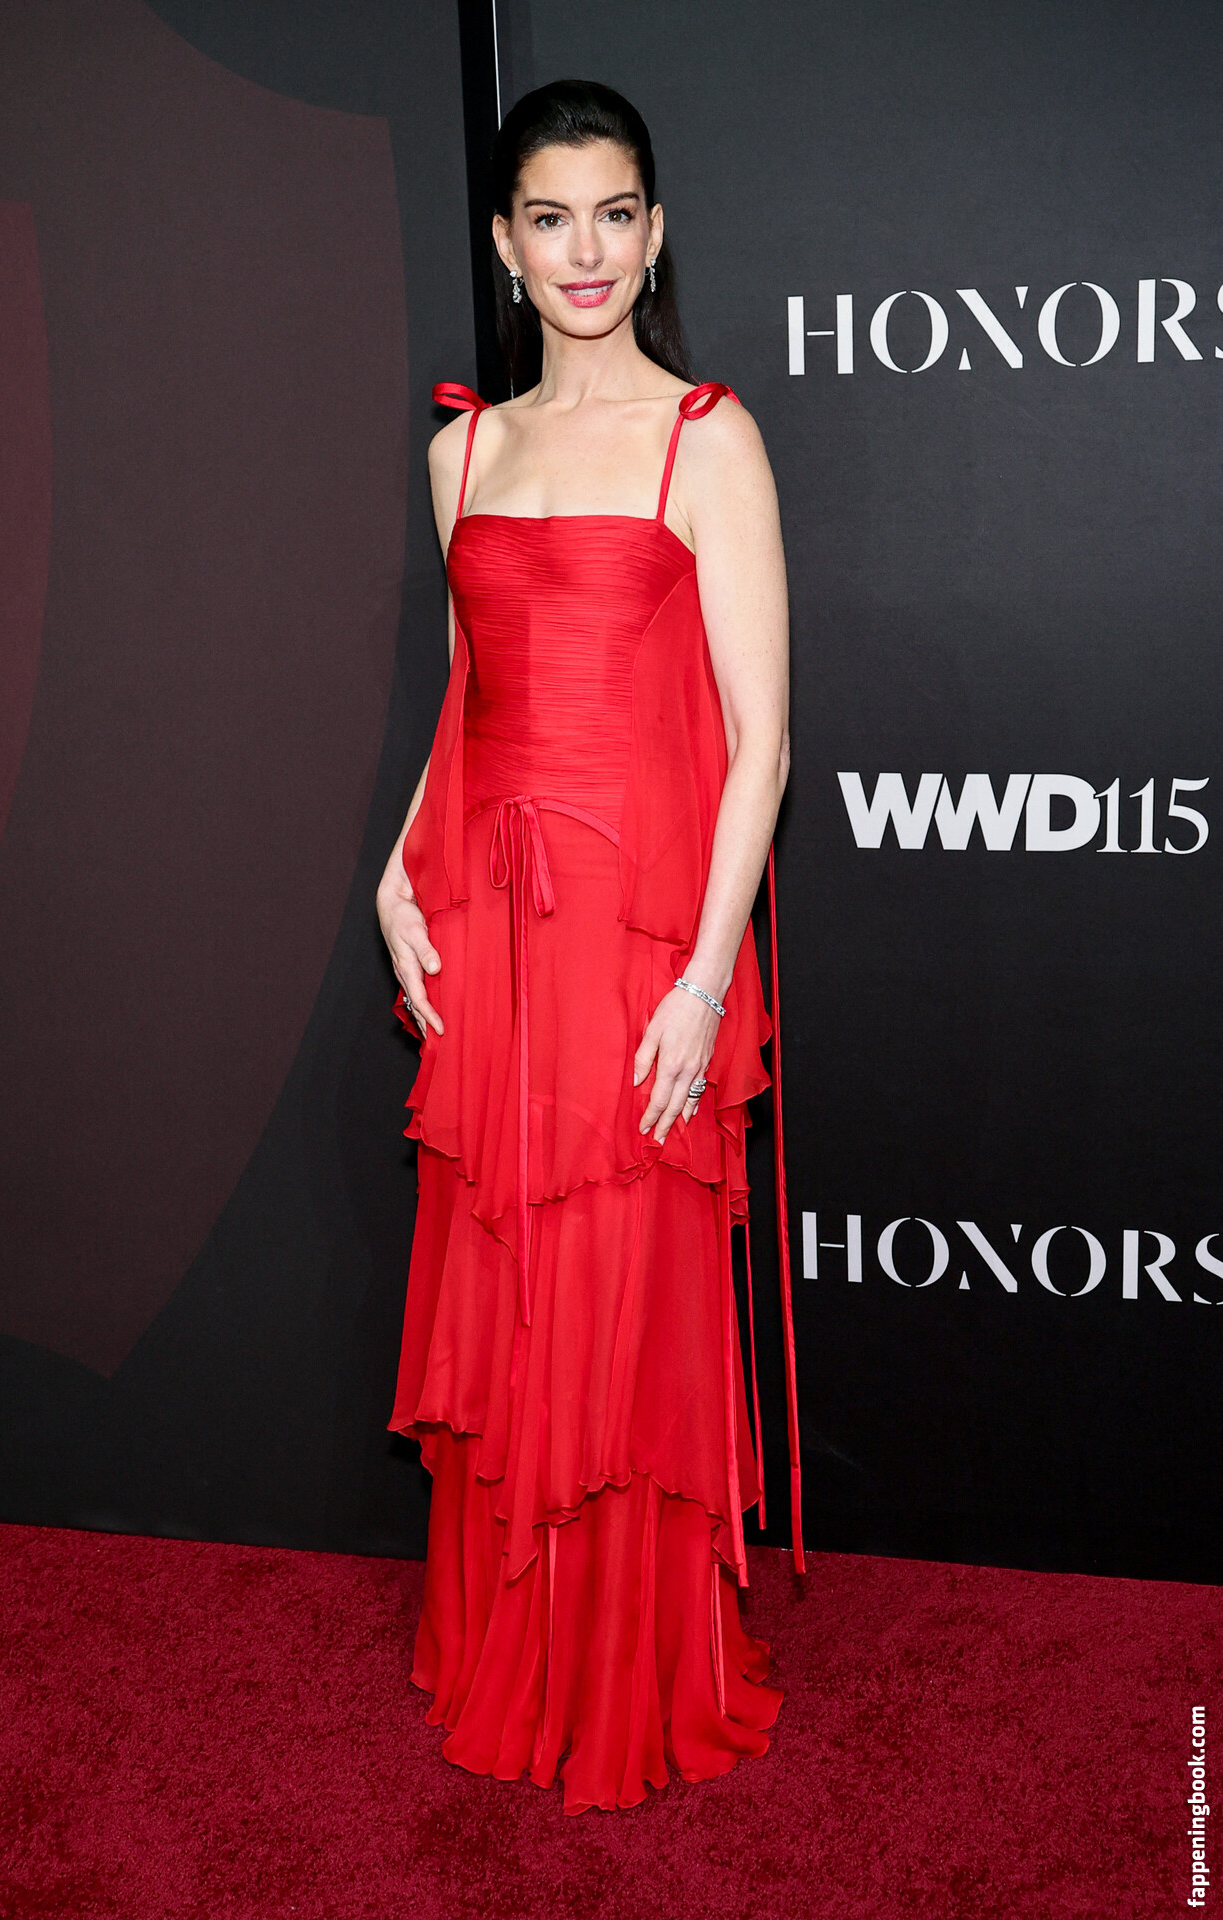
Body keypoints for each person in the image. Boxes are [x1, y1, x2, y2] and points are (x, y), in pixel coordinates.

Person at [376, 77, 803, 1815]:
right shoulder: (463, 452)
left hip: (636, 950)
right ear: (504, 240)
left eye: (615, 214)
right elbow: (469, 699)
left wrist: (705, 978)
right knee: (514, 1295)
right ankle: (519, 1644)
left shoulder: (710, 438)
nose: (585, 251)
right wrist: (395, 871)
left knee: (621, 1297)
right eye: (550, 218)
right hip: (489, 936)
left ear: (655, 228)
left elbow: (762, 742)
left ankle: (626, 1669)